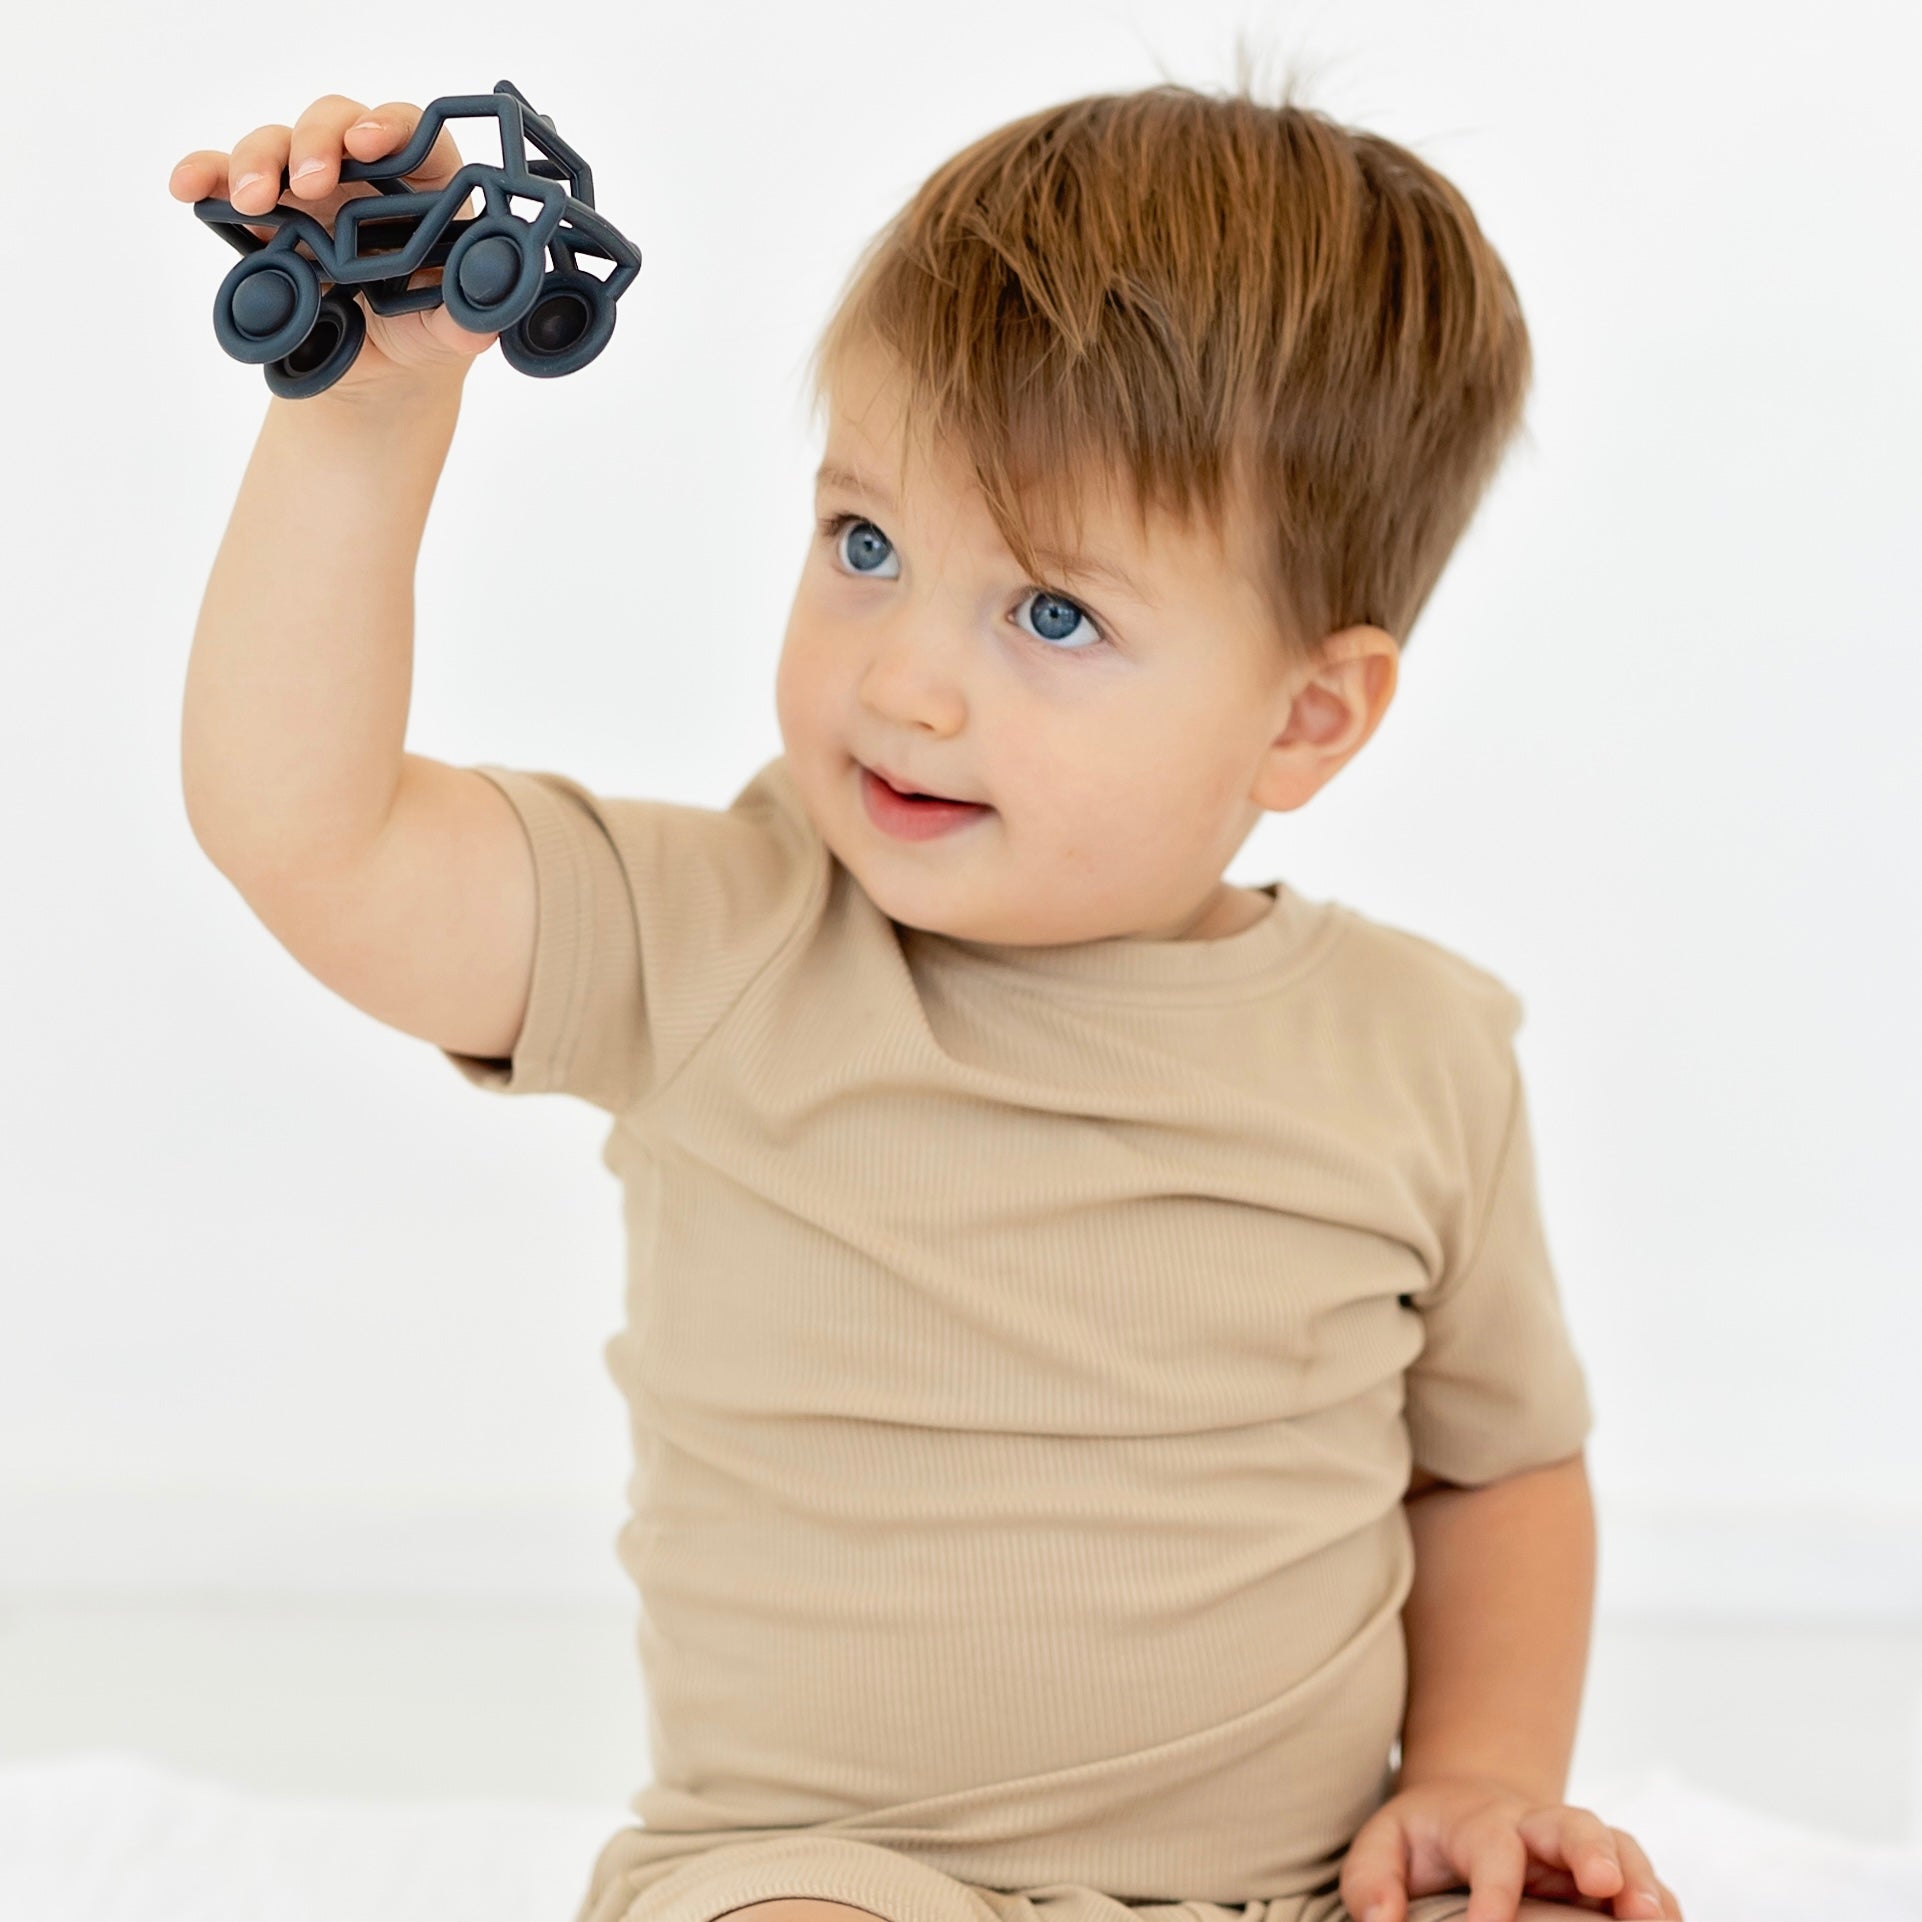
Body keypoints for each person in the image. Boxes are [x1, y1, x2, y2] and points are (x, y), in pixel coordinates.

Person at [171, 66, 1684, 1922]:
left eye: (1048, 616)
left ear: (1306, 715)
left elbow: (1499, 1473)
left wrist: (1469, 1790)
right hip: (826, 1876)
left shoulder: (1418, 1049)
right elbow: (306, 835)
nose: (903, 685)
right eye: (863, 545)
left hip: (1294, 1887)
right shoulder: (718, 932)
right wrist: (360, 422)